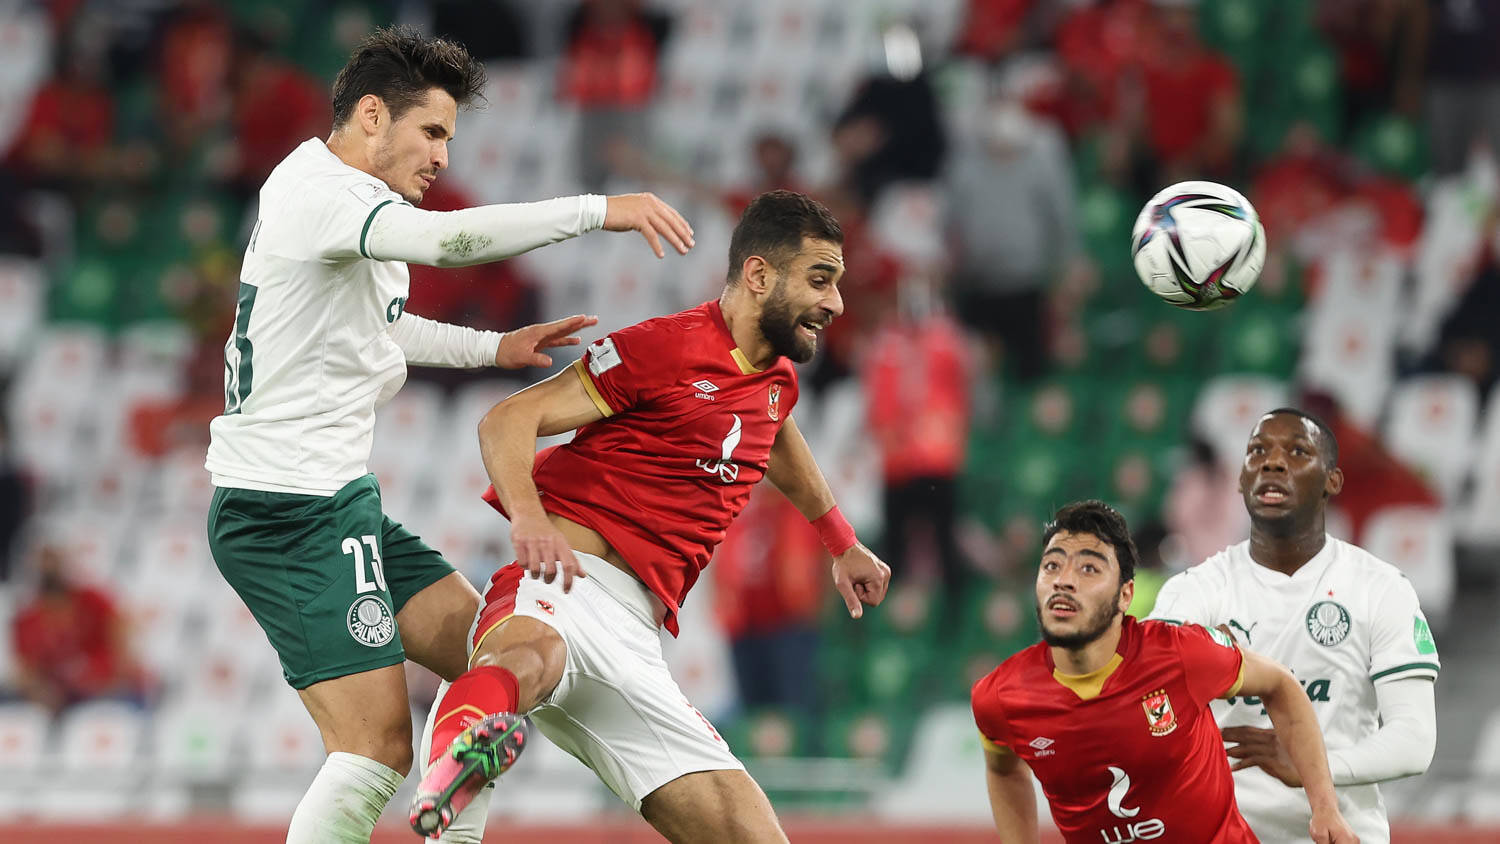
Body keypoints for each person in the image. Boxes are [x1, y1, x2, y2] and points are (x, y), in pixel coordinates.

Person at [203, 26, 695, 844]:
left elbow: (375, 330)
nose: (441, 156)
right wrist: (597, 209)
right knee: (374, 750)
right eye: (431, 131)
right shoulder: (324, 193)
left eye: (448, 138)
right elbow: (449, 242)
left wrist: (492, 349)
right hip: (284, 513)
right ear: (370, 115)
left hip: (335, 499)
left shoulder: (344, 204)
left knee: (485, 671)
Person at [410, 190, 892, 841]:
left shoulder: (774, 380)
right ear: (758, 275)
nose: (834, 303)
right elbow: (508, 418)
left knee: (752, 833)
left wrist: (841, 541)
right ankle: (452, 765)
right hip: (565, 583)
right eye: (819, 280)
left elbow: (775, 432)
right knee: (533, 655)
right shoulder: (665, 346)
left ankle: (467, 742)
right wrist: (528, 517)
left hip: (637, 638)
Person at [972, 500, 1357, 844]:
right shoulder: (1001, 697)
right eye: (1052, 565)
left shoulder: (1181, 654)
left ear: (1125, 595)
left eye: (1089, 568)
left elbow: (1279, 683)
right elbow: (1004, 771)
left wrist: (1325, 808)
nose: (1064, 579)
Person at [1149, 409, 1440, 844]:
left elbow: (1414, 739)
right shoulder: (1193, 592)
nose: (1272, 462)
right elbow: (1146, 708)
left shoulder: (1380, 589)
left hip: (1343, 835)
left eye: (1297, 451)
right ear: (1241, 480)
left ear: (1332, 481)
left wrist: (1312, 764)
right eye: (1257, 452)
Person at [9, 545, 149, 713]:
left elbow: (123, 638)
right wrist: (43, 694)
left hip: (107, 689)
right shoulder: (26, 619)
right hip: (62, 700)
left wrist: (113, 677)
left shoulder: (92, 599)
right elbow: (26, 671)